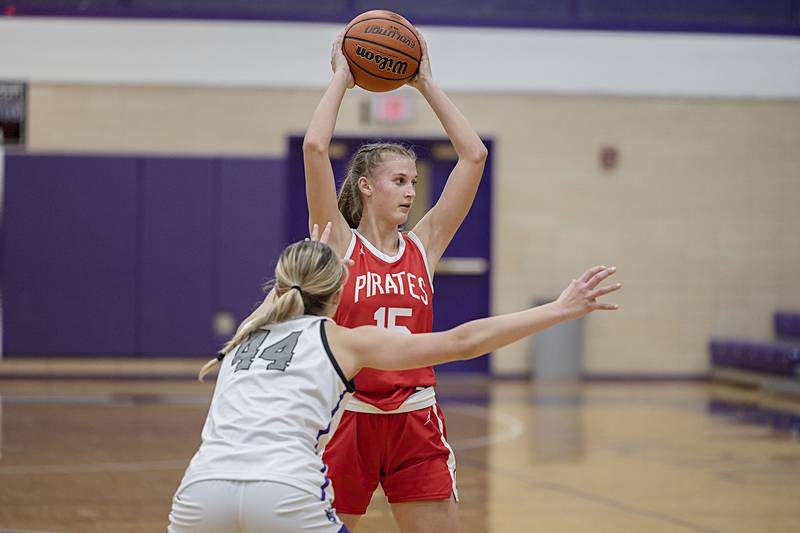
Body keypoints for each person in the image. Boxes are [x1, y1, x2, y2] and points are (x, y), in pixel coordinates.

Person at [167, 225, 621, 533]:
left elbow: (283, 296)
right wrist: (559, 309)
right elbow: (464, 341)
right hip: (283, 490)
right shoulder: (345, 340)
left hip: (199, 494)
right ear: (341, 284)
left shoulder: (240, 339)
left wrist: (317, 261)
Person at [303, 29, 489, 531]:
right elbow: (316, 146)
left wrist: (425, 81)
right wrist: (343, 75)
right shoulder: (340, 245)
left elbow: (473, 156)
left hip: (415, 418)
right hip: (349, 417)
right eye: (399, 181)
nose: (411, 192)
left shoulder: (423, 245)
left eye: (413, 182)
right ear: (366, 186)